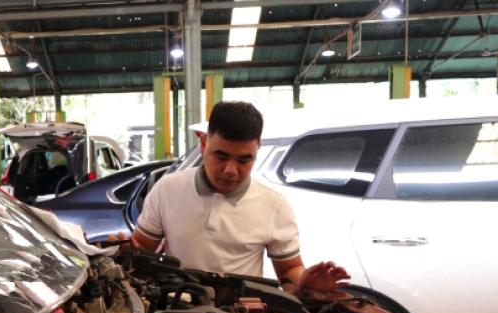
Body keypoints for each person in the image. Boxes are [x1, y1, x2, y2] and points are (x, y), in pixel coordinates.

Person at [111, 101, 349, 292]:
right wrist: (124, 250)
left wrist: (305, 283)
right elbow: (144, 247)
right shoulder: (167, 189)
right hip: (175, 307)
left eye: (244, 160)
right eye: (221, 156)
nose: (230, 170)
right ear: (203, 144)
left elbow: (288, 270)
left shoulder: (274, 205)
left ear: (257, 150)